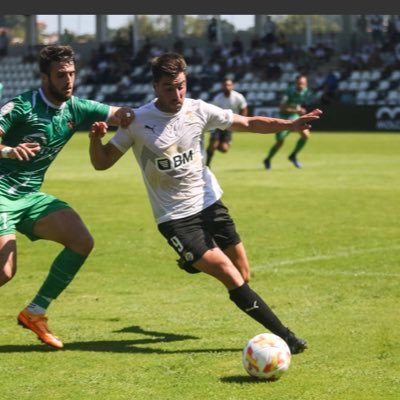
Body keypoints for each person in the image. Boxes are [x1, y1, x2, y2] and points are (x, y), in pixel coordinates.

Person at [88, 52, 322, 354]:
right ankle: (287, 338)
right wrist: (95, 140)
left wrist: (289, 125)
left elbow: (248, 122)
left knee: (243, 275)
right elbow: (103, 162)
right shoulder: (137, 121)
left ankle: (192, 259)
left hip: (210, 202)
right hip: (174, 217)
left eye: (182, 86)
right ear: (155, 86)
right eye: (170, 88)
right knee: (229, 275)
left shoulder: (198, 110)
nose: (177, 94)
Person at [0, 45, 134, 349]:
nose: (69, 80)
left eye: (71, 73)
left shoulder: (76, 108)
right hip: (0, 192)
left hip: (28, 197)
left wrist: (132, 114)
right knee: (5, 271)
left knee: (81, 240)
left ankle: (35, 312)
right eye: (61, 75)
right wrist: (9, 150)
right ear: (44, 77)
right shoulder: (21, 106)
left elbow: (119, 114)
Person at [263, 74, 314, 170]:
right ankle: (267, 159)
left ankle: (293, 155)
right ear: (296, 83)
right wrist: (297, 111)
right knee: (280, 142)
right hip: (283, 118)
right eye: (299, 84)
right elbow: (282, 108)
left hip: (294, 117)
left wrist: (299, 110)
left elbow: (297, 103)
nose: (301, 86)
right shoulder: (288, 92)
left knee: (306, 135)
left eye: (303, 84)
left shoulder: (305, 91)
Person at [205, 78, 248, 167]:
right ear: (222, 87)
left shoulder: (238, 97)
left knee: (224, 149)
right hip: (218, 124)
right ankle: (207, 165)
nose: (227, 87)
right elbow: (212, 112)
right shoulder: (218, 98)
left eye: (229, 85)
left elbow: (244, 108)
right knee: (213, 144)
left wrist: (242, 119)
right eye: (225, 85)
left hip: (229, 125)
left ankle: (212, 147)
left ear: (232, 86)